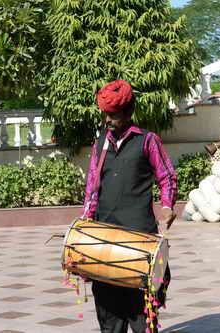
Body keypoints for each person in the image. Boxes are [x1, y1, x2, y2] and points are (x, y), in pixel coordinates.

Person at [82, 79, 177, 333]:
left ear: (128, 112)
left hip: (138, 236)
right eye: (106, 115)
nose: (109, 120)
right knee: (109, 313)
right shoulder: (101, 143)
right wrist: (85, 226)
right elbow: (92, 186)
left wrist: (167, 206)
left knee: (141, 313)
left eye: (113, 115)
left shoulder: (148, 140)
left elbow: (167, 176)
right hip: (104, 236)